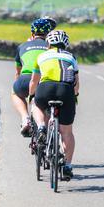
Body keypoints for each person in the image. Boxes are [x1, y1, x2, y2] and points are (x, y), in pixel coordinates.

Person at [28, 29, 79, 179]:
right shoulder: (71, 57)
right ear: (66, 44)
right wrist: (73, 96)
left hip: (46, 88)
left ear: (48, 43)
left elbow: (33, 81)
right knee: (67, 132)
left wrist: (32, 95)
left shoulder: (41, 56)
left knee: (37, 105)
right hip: (66, 90)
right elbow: (76, 85)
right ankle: (67, 166)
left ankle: (42, 127)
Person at [12, 17, 57, 137]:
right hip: (44, 82)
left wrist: (18, 86)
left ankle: (25, 118)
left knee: (15, 93)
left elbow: (18, 72)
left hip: (25, 79)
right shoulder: (52, 47)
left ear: (32, 33)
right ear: (48, 34)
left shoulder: (22, 46)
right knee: (44, 104)